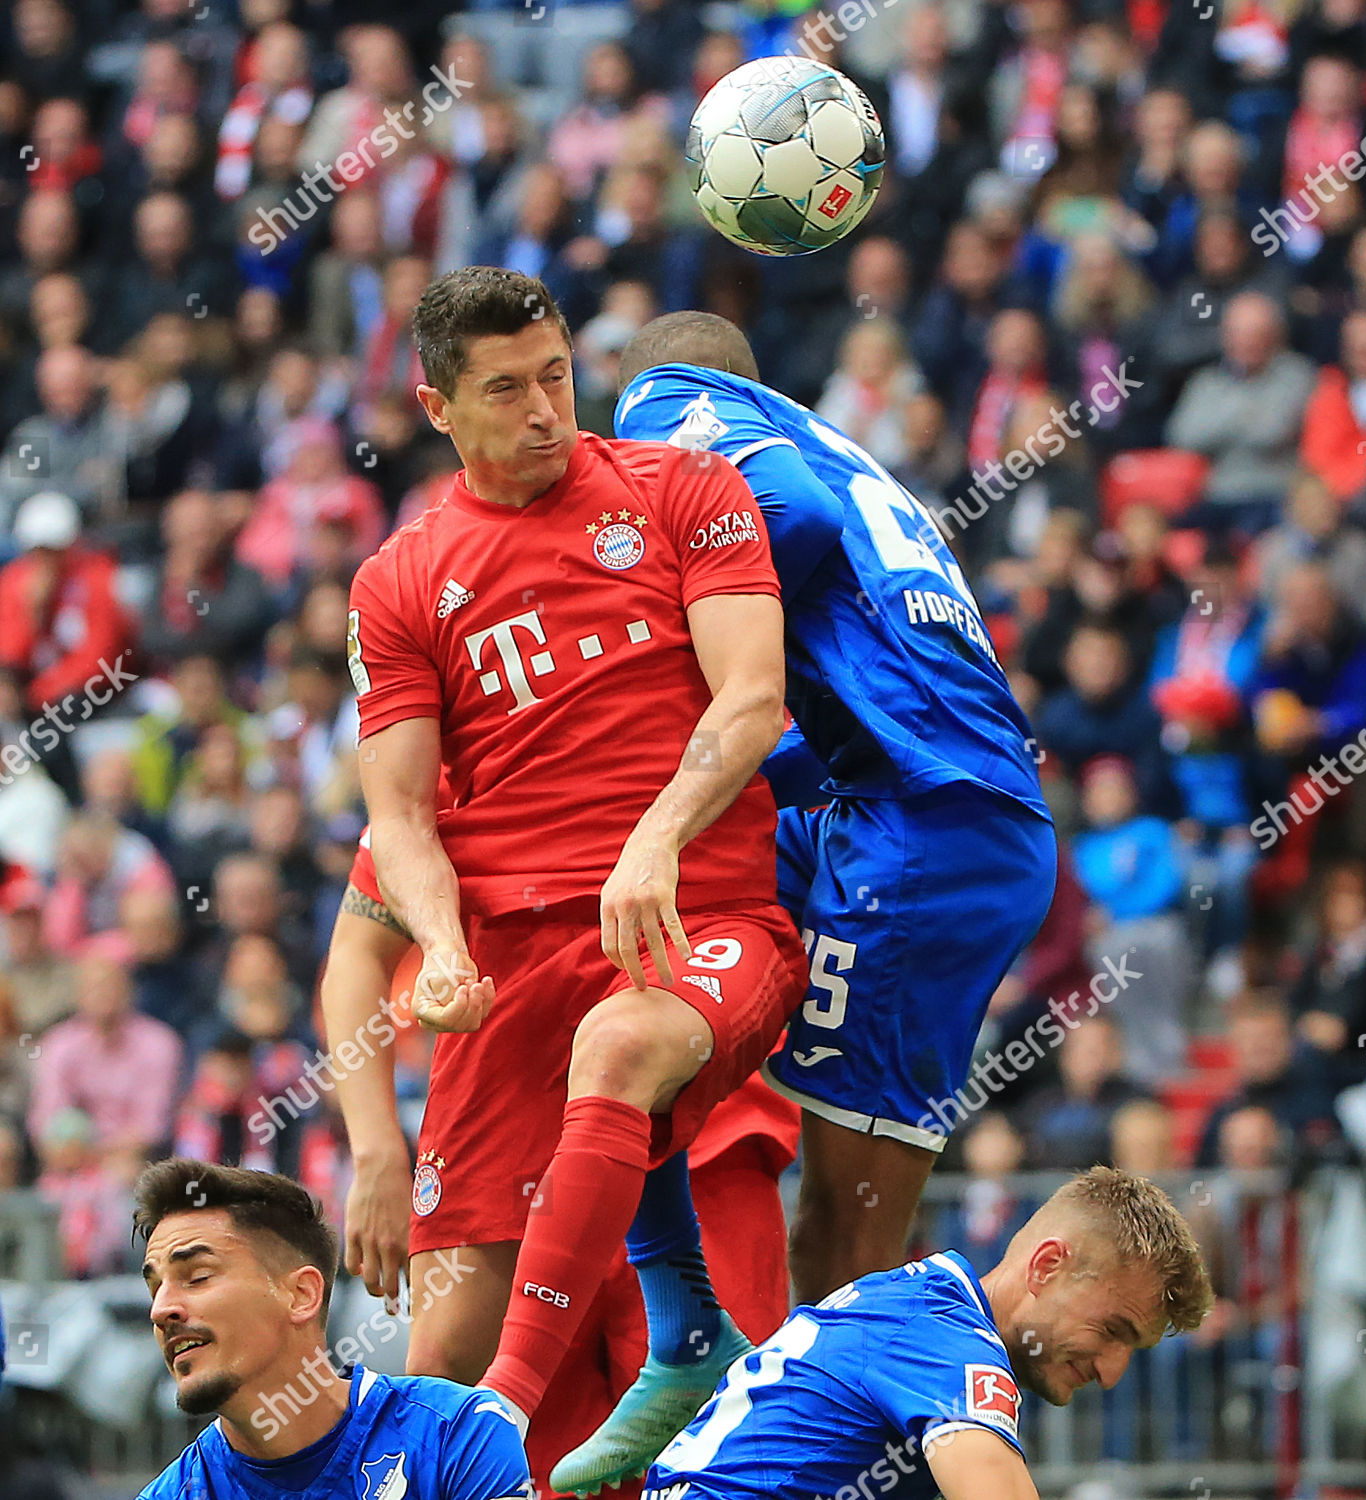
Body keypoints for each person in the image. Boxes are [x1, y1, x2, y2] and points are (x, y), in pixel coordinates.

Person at [559, 311, 1055, 1488]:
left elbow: (790, 525)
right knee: (640, 966)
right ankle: (690, 1328)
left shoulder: (664, 409)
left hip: (917, 830)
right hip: (923, 813)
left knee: (839, 1237)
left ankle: (829, 1469)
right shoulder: (835, 446)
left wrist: (665, 629)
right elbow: (816, 705)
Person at [347, 270, 807, 1445]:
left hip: (689, 922)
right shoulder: (400, 580)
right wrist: (441, 953)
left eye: (555, 374)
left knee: (625, 1048)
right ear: (437, 406)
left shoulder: (680, 490)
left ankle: (533, 1404)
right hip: (510, 964)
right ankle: (510, 1418)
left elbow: (754, 694)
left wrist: (653, 842)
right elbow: (395, 821)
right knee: (436, 1356)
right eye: (506, 390)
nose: (546, 410)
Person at [321, 823, 800, 1494]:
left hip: (699, 1137)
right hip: (498, 1136)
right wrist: (374, 1152)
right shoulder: (441, 763)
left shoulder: (724, 743)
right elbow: (357, 951)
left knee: (724, 1450)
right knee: (473, 1440)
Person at [642, 1167, 1213, 1500]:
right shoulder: (945, 1337)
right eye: (1112, 1330)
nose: (1113, 1372)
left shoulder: (917, 1307)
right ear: (1046, 1266)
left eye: (1132, 1351)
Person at [134, 1158, 533, 1500]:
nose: (160, 1309)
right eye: (155, 1288)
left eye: (197, 1276)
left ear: (300, 1294)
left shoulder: (455, 1435)